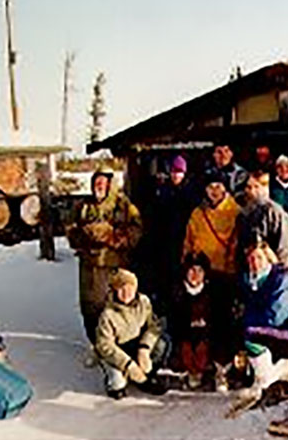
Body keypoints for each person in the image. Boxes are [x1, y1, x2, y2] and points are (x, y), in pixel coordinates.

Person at [66, 167, 143, 351]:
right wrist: (85, 235)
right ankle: (97, 346)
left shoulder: (123, 205)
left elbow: (137, 231)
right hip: (89, 268)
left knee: (114, 309)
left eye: (103, 181)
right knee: (89, 309)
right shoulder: (83, 206)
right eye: (96, 182)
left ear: (110, 184)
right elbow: (69, 230)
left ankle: (116, 349)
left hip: (114, 268)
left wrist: (111, 236)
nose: (99, 185)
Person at [238, 241, 288, 401]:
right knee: (244, 330)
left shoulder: (283, 282)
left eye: (259, 258)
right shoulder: (253, 282)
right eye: (251, 259)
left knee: (250, 333)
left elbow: (275, 315)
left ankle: (264, 382)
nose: (255, 263)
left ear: (268, 259)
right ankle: (260, 379)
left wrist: (248, 321)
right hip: (276, 331)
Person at [96, 268, 168, 399]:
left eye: (130, 288)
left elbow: (153, 326)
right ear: (115, 290)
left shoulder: (143, 302)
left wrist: (144, 349)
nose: (126, 293)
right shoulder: (108, 314)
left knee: (162, 344)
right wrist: (128, 364)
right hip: (119, 351)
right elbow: (104, 345)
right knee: (118, 385)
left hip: (137, 345)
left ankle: (146, 377)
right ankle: (114, 378)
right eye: (121, 288)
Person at [151, 155, 199, 309]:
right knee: (166, 279)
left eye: (179, 172)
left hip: (184, 240)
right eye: (173, 171)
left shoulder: (191, 192)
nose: (175, 175)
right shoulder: (163, 191)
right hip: (165, 242)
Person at [182, 171, 240, 276]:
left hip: (224, 270)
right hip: (201, 270)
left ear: (224, 189)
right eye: (210, 187)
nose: (214, 191)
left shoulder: (235, 212)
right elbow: (188, 240)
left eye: (218, 186)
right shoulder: (198, 213)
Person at [171, 252, 214, 389]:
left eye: (200, 271)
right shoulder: (177, 292)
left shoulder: (211, 292)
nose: (195, 275)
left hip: (205, 335)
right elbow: (173, 319)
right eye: (192, 270)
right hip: (183, 335)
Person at [237, 170, 288, 270]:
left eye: (256, 187)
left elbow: (284, 248)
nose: (251, 191)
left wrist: (280, 270)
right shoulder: (244, 213)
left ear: (265, 188)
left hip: (273, 268)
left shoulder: (275, 213)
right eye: (249, 187)